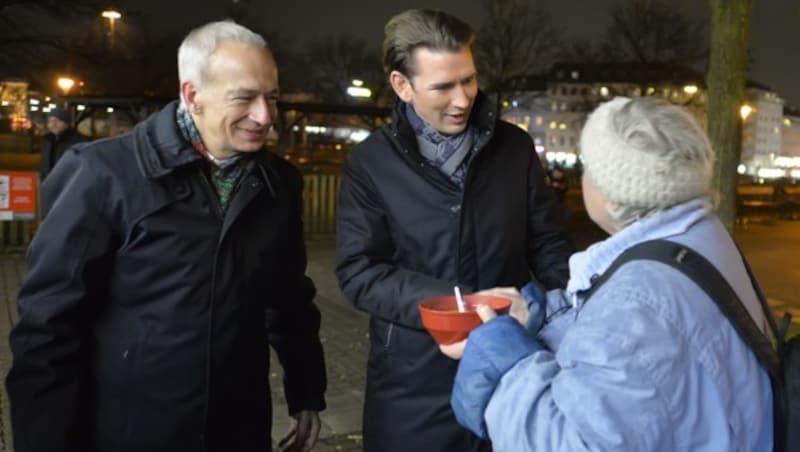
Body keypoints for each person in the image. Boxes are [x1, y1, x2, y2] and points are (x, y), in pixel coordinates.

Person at [7, 20, 326, 452]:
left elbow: (288, 298)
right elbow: (47, 329)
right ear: (192, 95)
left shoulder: (278, 184)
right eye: (245, 98)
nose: (265, 116)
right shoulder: (104, 175)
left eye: (271, 97)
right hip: (129, 431)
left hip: (239, 428)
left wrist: (306, 391)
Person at [441, 97, 773, 451]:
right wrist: (541, 311)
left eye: (588, 168)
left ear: (613, 199)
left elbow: (569, 443)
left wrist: (503, 356)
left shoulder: (633, 303)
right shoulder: (701, 237)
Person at [335, 9, 575, 452]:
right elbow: (359, 273)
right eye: (443, 86)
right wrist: (460, 307)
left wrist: (574, 310)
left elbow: (548, 242)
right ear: (401, 86)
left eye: (468, 79)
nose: (463, 98)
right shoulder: (369, 164)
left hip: (512, 368)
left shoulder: (515, 147)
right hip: (411, 384)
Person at [38, 107, 87, 181]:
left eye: (58, 120)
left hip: (69, 184)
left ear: (66, 123)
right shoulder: (47, 140)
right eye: (50, 121)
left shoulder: (79, 142)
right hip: (48, 183)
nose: (53, 124)